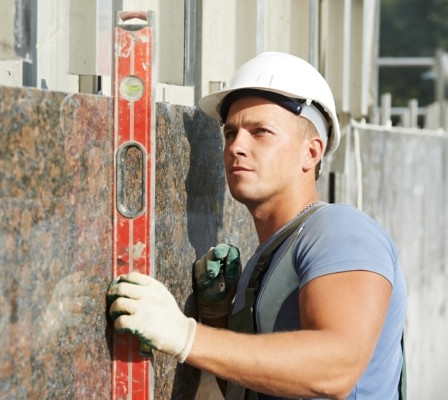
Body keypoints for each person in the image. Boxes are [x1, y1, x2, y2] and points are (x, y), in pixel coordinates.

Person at [106, 52, 407, 400]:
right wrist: (218, 318)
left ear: (311, 153)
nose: (237, 146)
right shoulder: (268, 258)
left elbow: (335, 369)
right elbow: (252, 384)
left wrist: (185, 335)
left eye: (260, 132)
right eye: (231, 132)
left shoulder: (342, 231)